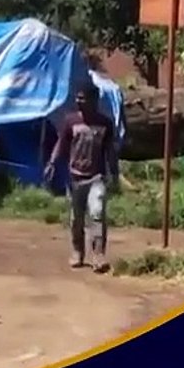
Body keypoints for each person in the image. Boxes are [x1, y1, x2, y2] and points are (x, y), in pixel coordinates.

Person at [44, 82, 120, 272]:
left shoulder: (105, 124)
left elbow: (110, 150)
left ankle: (99, 255)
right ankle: (78, 251)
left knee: (96, 214)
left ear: (94, 101)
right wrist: (52, 163)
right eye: (77, 98)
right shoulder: (71, 121)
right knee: (76, 218)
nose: (79, 101)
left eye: (83, 98)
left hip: (97, 177)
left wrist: (115, 174)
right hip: (75, 177)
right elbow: (61, 144)